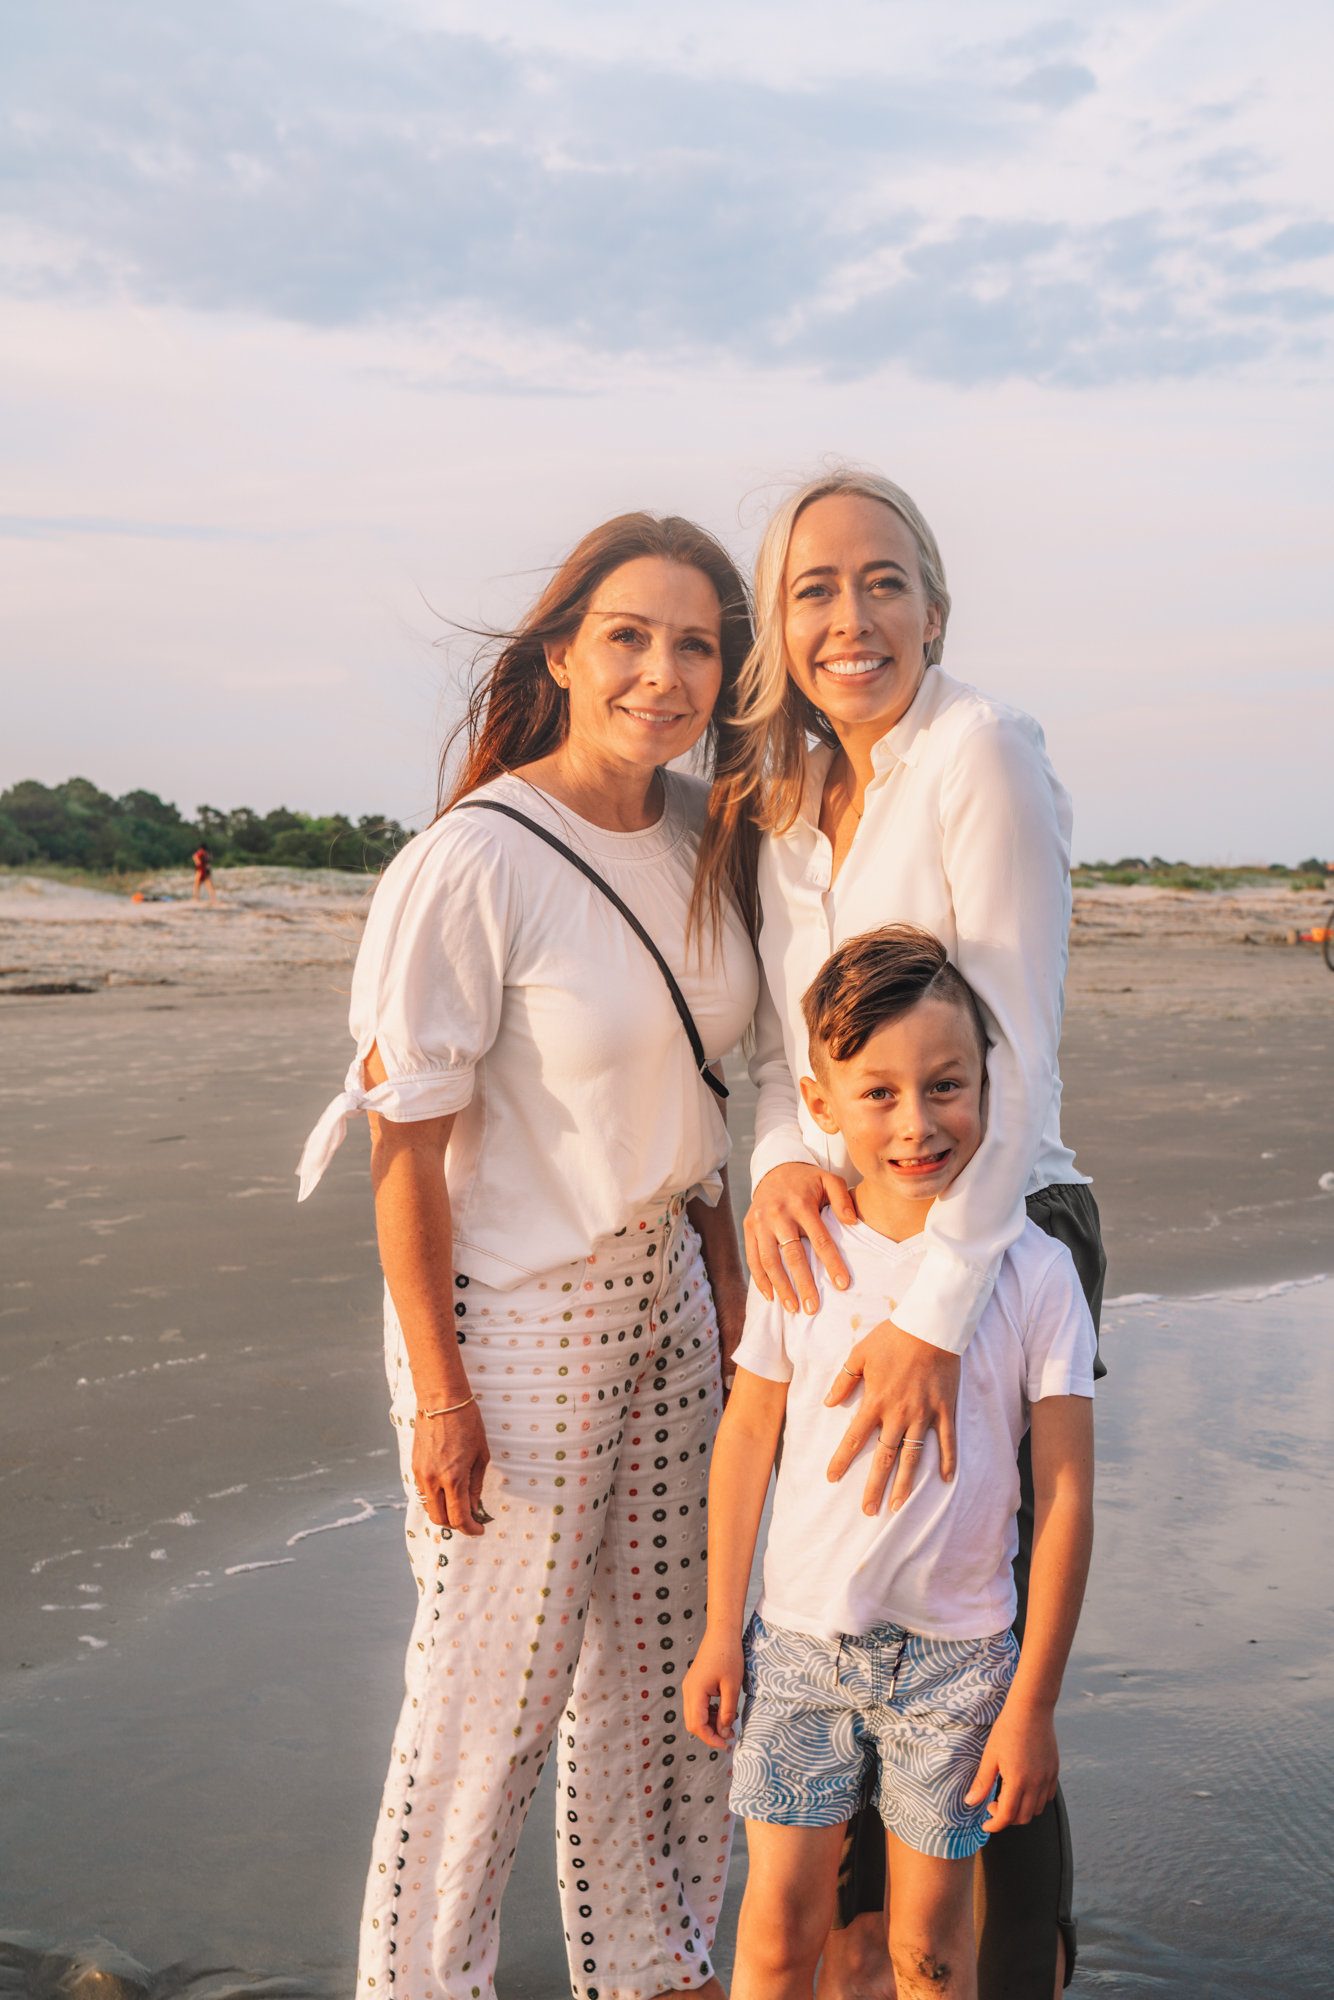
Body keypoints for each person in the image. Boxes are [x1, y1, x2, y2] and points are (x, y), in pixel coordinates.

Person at [295, 514, 761, 2000]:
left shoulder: (701, 836)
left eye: (695, 644)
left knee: (663, 1688)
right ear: (560, 653)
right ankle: (423, 1983)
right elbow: (404, 1146)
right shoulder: (473, 856)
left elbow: (699, 1093)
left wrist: (732, 1277)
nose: (661, 672)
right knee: (489, 1702)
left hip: (675, 1302)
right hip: (514, 1314)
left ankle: (653, 1964)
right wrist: (438, 1388)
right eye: (628, 636)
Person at [696, 469, 1107, 1995]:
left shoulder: (977, 754)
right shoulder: (797, 809)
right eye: (812, 588)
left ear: (935, 606)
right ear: (777, 624)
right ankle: (868, 1963)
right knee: (841, 1599)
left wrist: (935, 1313)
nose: (848, 617)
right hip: (852, 1220)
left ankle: (1013, 1970)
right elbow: (782, 1058)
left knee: (969, 1638)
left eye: (882, 582)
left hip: (994, 1235)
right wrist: (781, 1165)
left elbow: (1016, 1049)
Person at [683, 926, 1096, 2000]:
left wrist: (1032, 1701)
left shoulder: (1033, 1271)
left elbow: (1061, 1496)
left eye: (945, 1085)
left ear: (988, 1084)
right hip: (800, 1650)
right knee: (775, 1941)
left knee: (931, 1951)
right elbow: (746, 1437)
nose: (916, 1123)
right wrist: (719, 1628)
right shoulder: (800, 1249)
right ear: (820, 1104)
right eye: (877, 1093)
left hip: (958, 1666)